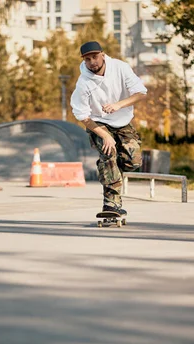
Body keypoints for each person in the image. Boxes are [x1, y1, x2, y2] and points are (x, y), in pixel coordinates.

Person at [70, 41, 147, 215]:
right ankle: (111, 204)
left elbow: (141, 93)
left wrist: (119, 105)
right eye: (87, 59)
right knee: (108, 154)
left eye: (95, 57)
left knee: (133, 161)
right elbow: (83, 116)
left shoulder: (120, 68)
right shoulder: (83, 83)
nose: (92, 62)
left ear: (103, 55)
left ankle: (110, 167)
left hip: (122, 121)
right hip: (98, 123)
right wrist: (104, 135)